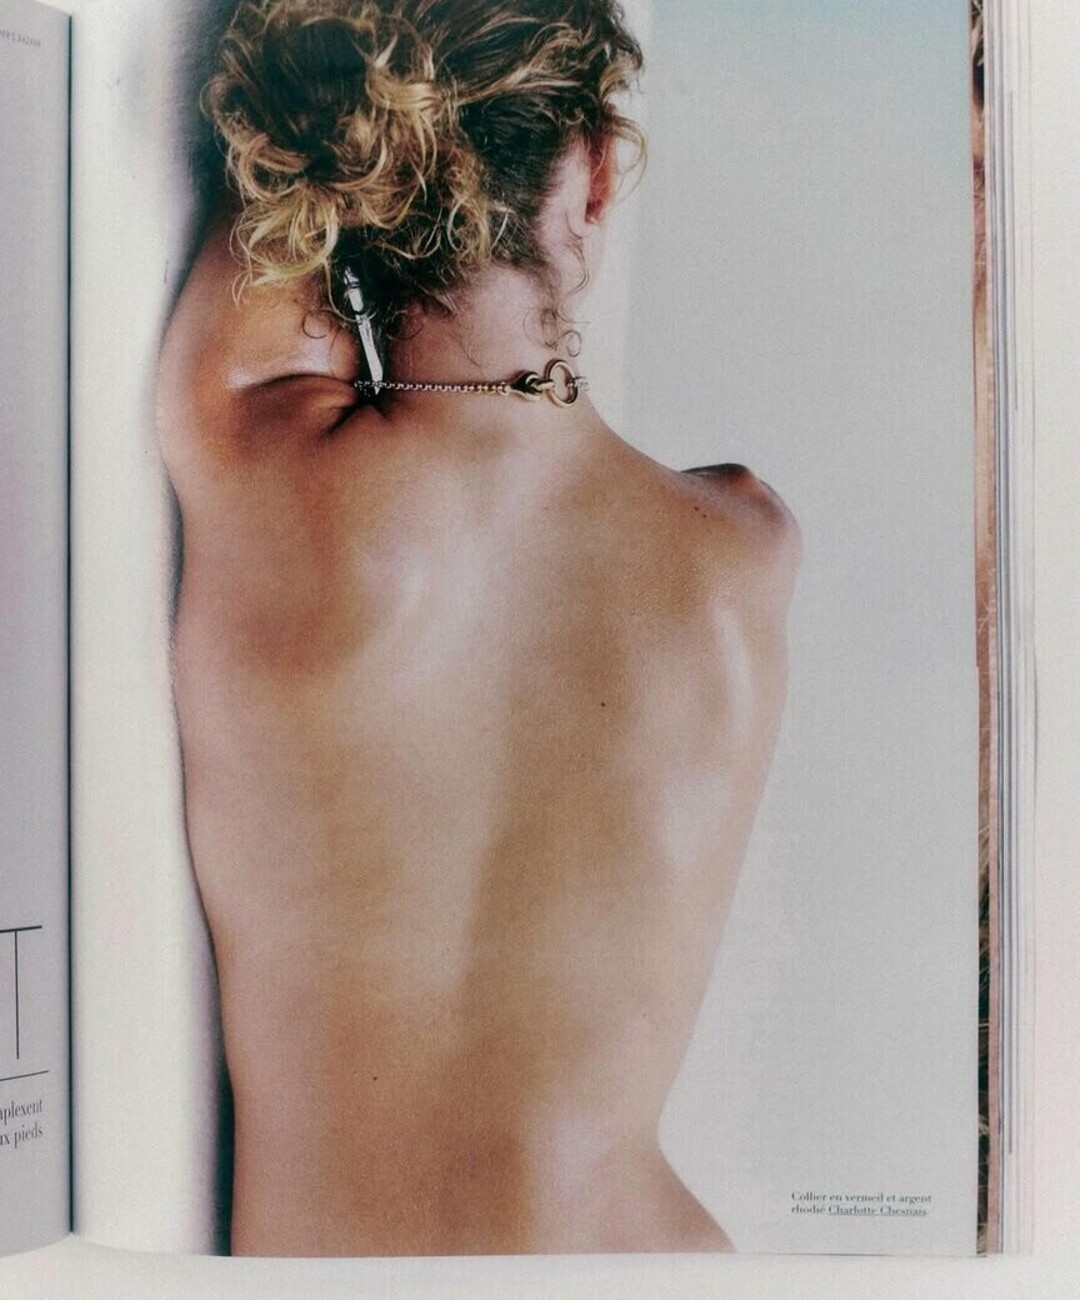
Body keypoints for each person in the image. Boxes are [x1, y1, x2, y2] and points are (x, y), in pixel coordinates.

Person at [157, 0, 799, 1257]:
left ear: (346, 173)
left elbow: (272, 206)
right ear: (597, 174)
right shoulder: (747, 549)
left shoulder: (262, 455)